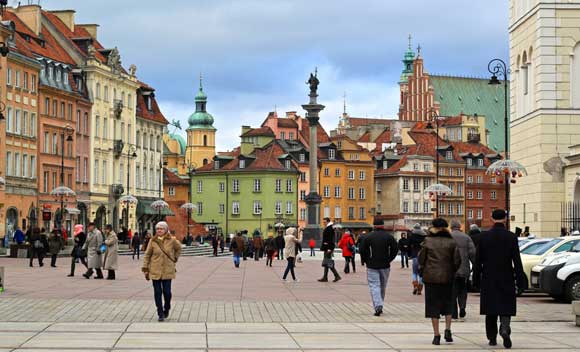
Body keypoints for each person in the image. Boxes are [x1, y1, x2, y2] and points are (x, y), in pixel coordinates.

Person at [473, 209, 526, 349]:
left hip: (489, 276)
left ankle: (492, 337)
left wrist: (476, 279)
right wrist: (521, 280)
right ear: (505, 219)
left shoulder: (484, 237)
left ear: (491, 218)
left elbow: (478, 260)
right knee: (505, 305)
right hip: (506, 275)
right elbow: (517, 260)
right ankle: (504, 328)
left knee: (491, 308)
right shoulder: (511, 237)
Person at [419, 218, 461, 346]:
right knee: (448, 304)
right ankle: (448, 329)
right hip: (448, 277)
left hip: (431, 278)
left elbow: (422, 259)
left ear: (434, 227)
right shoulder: (452, 242)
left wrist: (423, 270)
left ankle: (436, 335)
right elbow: (457, 260)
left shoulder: (428, 241)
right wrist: (452, 270)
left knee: (433, 306)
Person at [142, 221, 181, 322]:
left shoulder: (172, 240)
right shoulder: (153, 241)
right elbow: (147, 255)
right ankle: (160, 312)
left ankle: (166, 307)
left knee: (167, 292)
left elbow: (179, 248)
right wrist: (145, 268)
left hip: (167, 270)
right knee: (157, 292)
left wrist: (175, 258)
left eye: (161, 228)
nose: (159, 230)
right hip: (155, 270)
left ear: (166, 230)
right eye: (158, 229)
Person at [361, 219, 398, 316]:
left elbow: (362, 250)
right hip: (385, 265)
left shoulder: (368, 237)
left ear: (373, 226)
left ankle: (378, 305)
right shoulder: (389, 237)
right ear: (383, 225)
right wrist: (389, 259)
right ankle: (380, 304)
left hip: (372, 264)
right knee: (383, 286)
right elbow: (395, 249)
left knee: (374, 286)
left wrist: (366, 260)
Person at [449, 220, 476, 320]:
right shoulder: (466, 237)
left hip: (451, 269)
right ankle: (462, 307)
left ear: (451, 227)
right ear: (459, 227)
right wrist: (474, 265)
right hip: (464, 268)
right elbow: (473, 253)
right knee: (462, 289)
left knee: (452, 291)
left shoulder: (448, 237)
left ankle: (454, 313)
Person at [318, 217, 341, 283]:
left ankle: (337, 276)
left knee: (328, 262)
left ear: (328, 221)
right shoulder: (329, 228)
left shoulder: (330, 228)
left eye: (325, 222)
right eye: (323, 222)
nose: (324, 223)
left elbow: (331, 240)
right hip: (327, 248)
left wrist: (330, 248)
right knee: (326, 262)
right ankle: (325, 277)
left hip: (328, 248)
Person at [409, 224, 427, 295]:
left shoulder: (412, 235)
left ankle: (415, 286)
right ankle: (419, 289)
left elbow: (409, 246)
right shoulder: (424, 236)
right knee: (421, 273)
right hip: (422, 256)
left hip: (414, 255)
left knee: (414, 272)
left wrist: (410, 254)